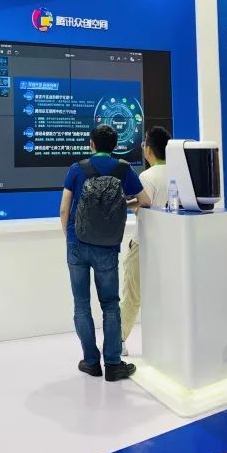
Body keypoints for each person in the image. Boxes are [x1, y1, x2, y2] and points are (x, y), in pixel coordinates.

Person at [60, 124, 151, 381]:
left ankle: (91, 362)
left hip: (77, 244)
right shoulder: (123, 169)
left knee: (81, 304)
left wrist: (70, 238)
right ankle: (113, 364)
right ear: (115, 145)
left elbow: (64, 209)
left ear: (91, 144)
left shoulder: (76, 169)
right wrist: (123, 204)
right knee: (110, 304)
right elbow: (145, 201)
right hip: (107, 247)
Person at [120, 125, 170, 351]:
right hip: (168, 243)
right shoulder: (179, 174)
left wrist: (124, 204)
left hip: (143, 243)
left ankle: (118, 342)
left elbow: (143, 206)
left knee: (131, 297)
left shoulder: (146, 176)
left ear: (149, 149)